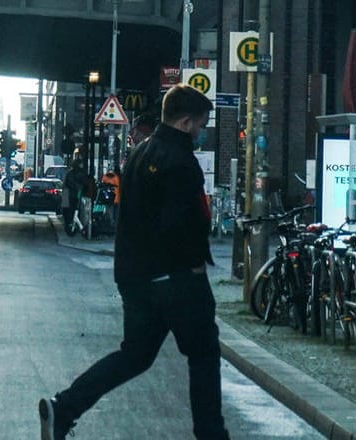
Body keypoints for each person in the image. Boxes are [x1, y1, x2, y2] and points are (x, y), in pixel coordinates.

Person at [40, 84, 228, 440]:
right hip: (177, 280)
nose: (200, 132)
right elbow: (179, 225)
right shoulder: (180, 162)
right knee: (204, 355)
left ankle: (64, 408)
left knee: (135, 356)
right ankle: (212, 435)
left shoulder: (139, 154)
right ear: (186, 122)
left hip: (136, 278)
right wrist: (193, 265)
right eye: (200, 125)